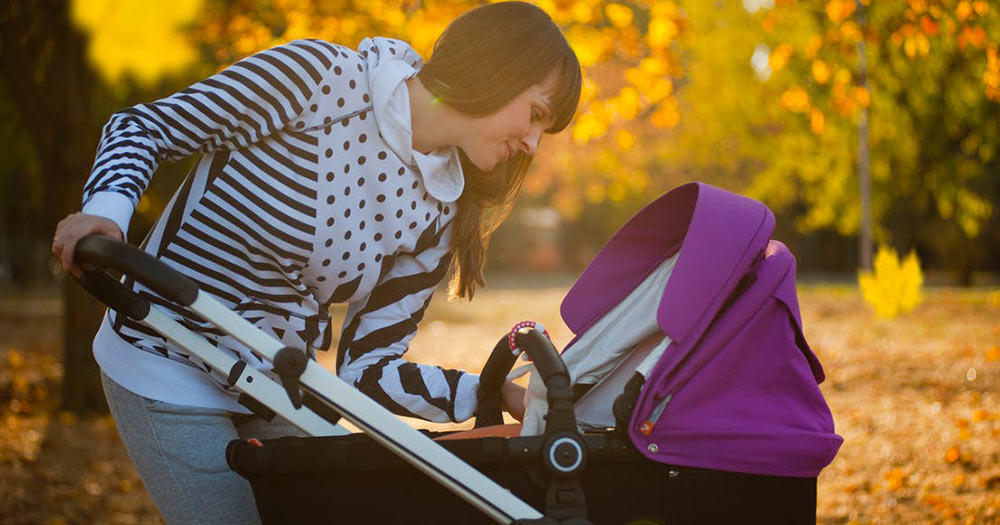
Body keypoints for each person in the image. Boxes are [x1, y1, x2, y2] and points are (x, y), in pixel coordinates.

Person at [51, 2, 581, 523]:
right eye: (535, 114)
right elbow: (147, 128)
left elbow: (368, 371)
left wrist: (494, 391)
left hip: (274, 382)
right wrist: (106, 212)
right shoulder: (318, 79)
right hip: (167, 352)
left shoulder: (442, 210)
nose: (533, 143)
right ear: (494, 69)